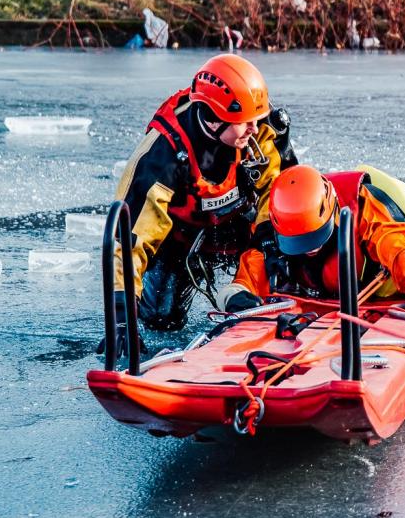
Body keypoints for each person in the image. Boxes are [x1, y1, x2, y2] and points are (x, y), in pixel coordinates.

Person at [103, 53, 297, 359]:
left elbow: (282, 191)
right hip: (182, 240)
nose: (254, 128)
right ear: (214, 117)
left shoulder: (259, 126)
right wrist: (120, 318)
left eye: (257, 119)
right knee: (162, 321)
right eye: (245, 122)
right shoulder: (161, 157)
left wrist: (273, 249)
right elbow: (130, 243)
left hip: (243, 227)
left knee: (284, 262)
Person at [218, 164, 405, 339]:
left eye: (315, 237)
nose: (310, 249)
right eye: (300, 242)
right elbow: (250, 270)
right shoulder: (273, 228)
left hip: (395, 260)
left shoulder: (364, 213)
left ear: (331, 214)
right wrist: (233, 296)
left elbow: (396, 249)